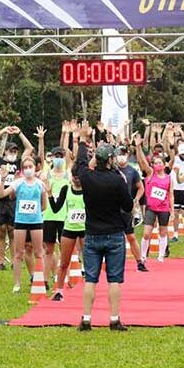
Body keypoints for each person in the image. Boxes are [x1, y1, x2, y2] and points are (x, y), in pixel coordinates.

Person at [74, 122, 133, 331]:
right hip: (114, 233)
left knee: (90, 278)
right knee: (114, 279)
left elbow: (79, 163)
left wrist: (82, 140)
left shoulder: (87, 177)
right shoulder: (117, 180)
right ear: (110, 160)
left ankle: (87, 318)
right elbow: (128, 206)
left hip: (92, 233)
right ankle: (114, 318)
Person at [0, 126, 35, 271]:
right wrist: (3, 132)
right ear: (5, 152)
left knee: (13, 230)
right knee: (1, 230)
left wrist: (19, 133)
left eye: (15, 151)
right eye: (10, 151)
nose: (12, 154)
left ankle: (14, 260)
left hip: (14, 198)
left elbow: (29, 147)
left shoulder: (19, 163)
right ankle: (1, 261)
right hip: (0, 197)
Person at [0, 157, 48, 293]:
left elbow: (44, 205)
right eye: (25, 167)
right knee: (18, 253)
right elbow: (2, 194)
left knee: (39, 252)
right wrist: (2, 179)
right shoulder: (18, 183)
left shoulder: (39, 184)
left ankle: (40, 280)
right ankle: (17, 283)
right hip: (20, 222)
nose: (28, 169)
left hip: (36, 222)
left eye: (30, 166)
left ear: (34, 167)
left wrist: (35, 212)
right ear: (22, 169)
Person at [134, 135, 174, 262]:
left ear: (164, 165)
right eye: (155, 163)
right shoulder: (150, 174)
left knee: (163, 232)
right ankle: (143, 255)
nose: (157, 165)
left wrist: (172, 210)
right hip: (151, 208)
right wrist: (138, 146)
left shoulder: (168, 178)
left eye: (159, 163)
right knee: (146, 233)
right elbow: (142, 161)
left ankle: (161, 255)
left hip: (164, 208)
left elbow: (171, 195)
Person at [50, 167, 85, 301]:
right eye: (74, 177)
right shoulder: (66, 189)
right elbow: (55, 208)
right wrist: (49, 195)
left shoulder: (88, 190)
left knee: (90, 262)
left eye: (79, 177)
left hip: (84, 229)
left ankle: (90, 290)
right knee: (64, 262)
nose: (76, 179)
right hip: (69, 228)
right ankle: (59, 291)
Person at [115, 146, 149, 272]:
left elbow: (141, 187)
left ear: (128, 155)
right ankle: (113, 263)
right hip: (113, 209)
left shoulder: (132, 171)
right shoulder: (112, 170)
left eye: (123, 154)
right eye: (119, 154)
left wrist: (136, 200)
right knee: (115, 238)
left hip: (126, 209)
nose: (121, 156)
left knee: (131, 236)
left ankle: (140, 261)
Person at [42, 147, 70, 287]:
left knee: (65, 250)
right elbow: (41, 158)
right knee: (48, 250)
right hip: (48, 216)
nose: (58, 158)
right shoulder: (46, 174)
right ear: (52, 157)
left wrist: (70, 137)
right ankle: (45, 279)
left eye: (61, 156)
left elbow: (72, 157)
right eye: (56, 155)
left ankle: (64, 278)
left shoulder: (68, 175)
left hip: (64, 217)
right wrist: (41, 140)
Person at [169, 141, 184, 243]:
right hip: (175, 189)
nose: (183, 155)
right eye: (181, 153)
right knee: (176, 213)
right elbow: (170, 152)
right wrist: (170, 141)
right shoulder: (174, 159)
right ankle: (176, 234)